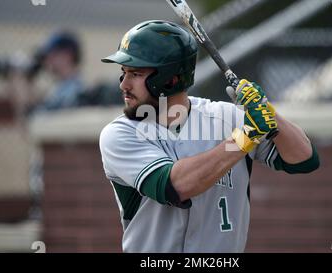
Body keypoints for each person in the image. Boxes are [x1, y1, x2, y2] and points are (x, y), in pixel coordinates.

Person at [99, 20, 320, 253]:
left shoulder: (227, 118)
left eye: (135, 73)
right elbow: (175, 186)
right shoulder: (119, 134)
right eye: (123, 73)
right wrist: (244, 138)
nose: (124, 84)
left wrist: (267, 111)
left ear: (169, 78)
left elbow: (305, 159)